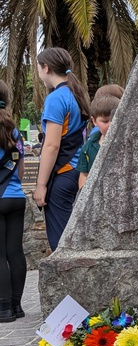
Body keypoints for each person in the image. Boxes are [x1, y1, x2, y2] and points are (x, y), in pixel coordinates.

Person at [33, 48, 90, 251]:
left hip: (62, 173)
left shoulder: (56, 98)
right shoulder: (75, 93)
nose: (38, 74)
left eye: (38, 68)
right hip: (75, 171)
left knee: (61, 244)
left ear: (46, 68)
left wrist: (41, 185)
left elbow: (52, 144)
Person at [0, 80, 27, 322]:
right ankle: (18, 305)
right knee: (15, 252)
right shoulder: (14, 129)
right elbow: (19, 167)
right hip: (16, 196)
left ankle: (4, 308)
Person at [78, 93, 120, 189]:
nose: (111, 125)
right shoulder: (88, 147)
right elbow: (84, 174)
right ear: (94, 121)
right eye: (105, 121)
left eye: (115, 119)